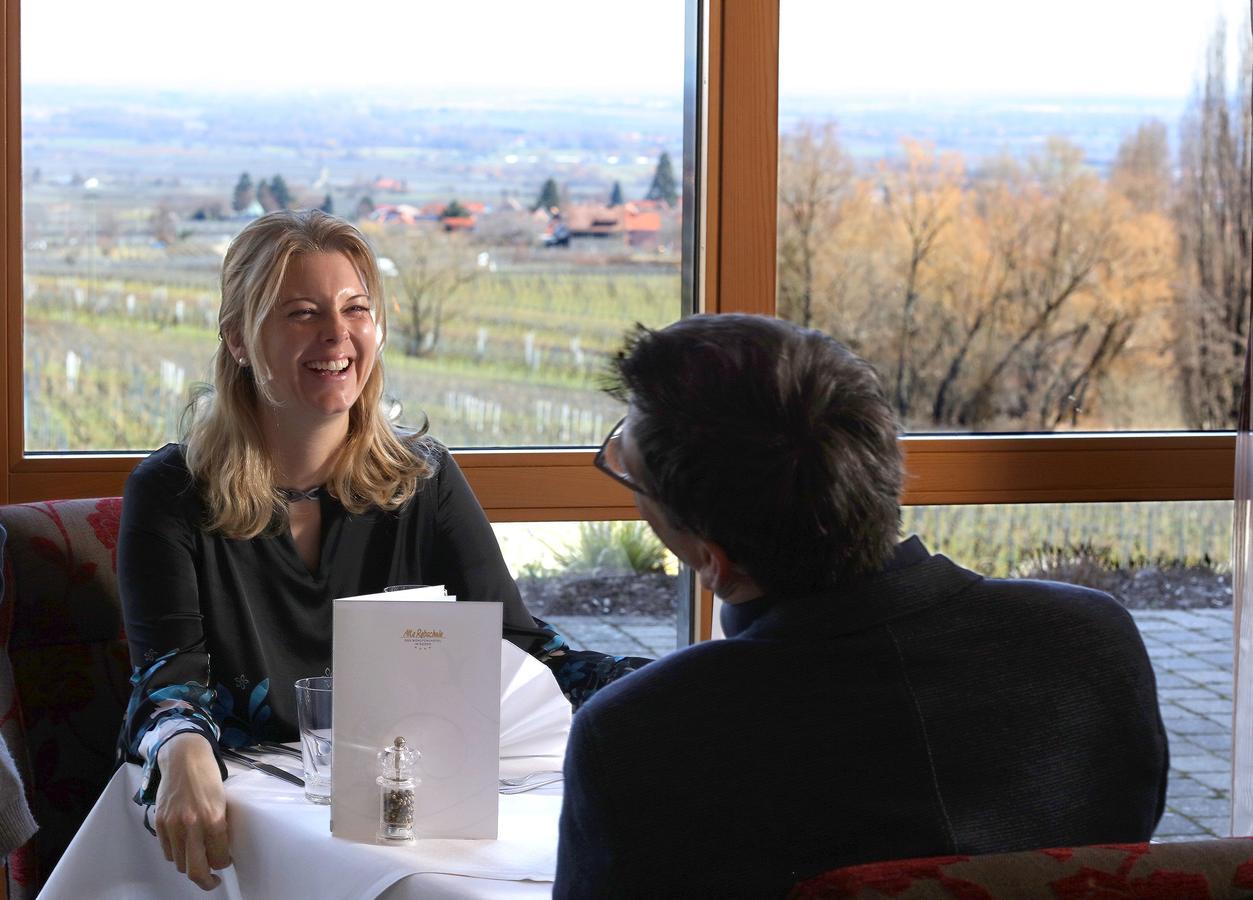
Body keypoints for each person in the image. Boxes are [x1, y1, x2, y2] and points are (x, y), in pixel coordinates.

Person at [116, 209, 648, 891]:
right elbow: (167, 682)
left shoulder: (423, 479)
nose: (337, 334)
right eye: (302, 313)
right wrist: (181, 747)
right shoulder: (170, 492)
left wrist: (674, 684)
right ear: (239, 341)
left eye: (355, 308)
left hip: (401, 814)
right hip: (248, 827)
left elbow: (524, 653)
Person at [554, 314, 1168, 898]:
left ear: (714, 559)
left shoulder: (640, 734)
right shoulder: (1090, 639)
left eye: (627, 473)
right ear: (881, 461)